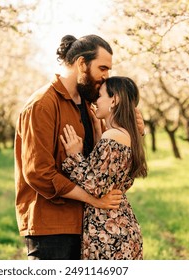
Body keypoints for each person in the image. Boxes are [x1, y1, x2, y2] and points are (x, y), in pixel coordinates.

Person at [14, 34, 145, 260]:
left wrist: (134, 131)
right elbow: (38, 172)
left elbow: (104, 167)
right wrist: (92, 199)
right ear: (82, 63)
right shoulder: (42, 105)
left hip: (87, 227)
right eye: (102, 68)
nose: (106, 77)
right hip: (53, 228)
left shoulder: (89, 105)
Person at [60, 76, 148, 260]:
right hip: (120, 225)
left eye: (100, 96)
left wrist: (75, 155)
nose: (95, 101)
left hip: (109, 231)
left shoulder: (113, 137)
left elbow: (96, 185)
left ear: (114, 100)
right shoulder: (127, 135)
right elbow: (109, 175)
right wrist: (99, 132)